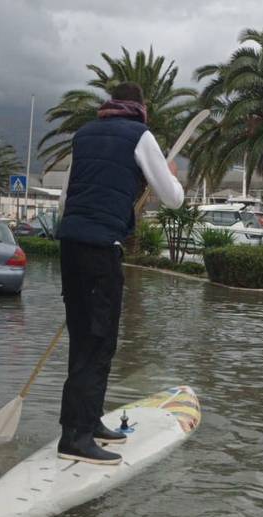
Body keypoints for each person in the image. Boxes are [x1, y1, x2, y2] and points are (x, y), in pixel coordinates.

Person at [55, 82, 184, 465]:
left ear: (111, 104)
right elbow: (173, 199)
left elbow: (65, 198)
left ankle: (88, 421)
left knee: (83, 339)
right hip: (100, 249)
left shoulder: (83, 135)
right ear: (141, 107)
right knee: (98, 342)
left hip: (70, 245)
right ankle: (75, 438)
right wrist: (171, 174)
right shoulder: (140, 135)